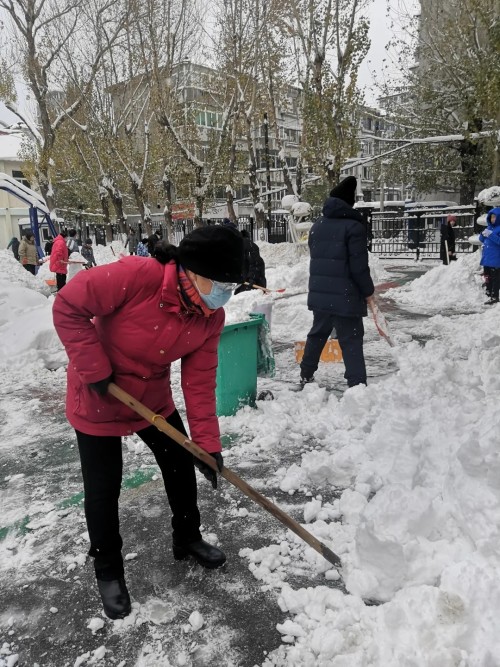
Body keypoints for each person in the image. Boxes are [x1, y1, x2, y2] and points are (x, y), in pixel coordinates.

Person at [52, 225, 244, 620]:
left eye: (232, 284)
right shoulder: (138, 276)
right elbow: (68, 306)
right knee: (104, 487)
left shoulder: (211, 317)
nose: (225, 291)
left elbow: (200, 383)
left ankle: (187, 538)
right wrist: (94, 367)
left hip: (150, 398)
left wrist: (207, 445)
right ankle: (108, 570)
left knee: (180, 464)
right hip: (99, 394)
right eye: (220, 281)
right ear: (192, 269)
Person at [300, 176, 375, 389]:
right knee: (351, 339)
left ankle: (306, 373)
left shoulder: (317, 226)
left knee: (318, 333)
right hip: (345, 295)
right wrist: (368, 291)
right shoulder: (353, 227)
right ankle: (357, 385)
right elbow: (358, 267)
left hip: (321, 293)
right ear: (349, 202)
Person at [479, 207, 500, 304]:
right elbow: (481, 240)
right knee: (487, 276)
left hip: (495, 259)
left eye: (494, 217)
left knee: (495, 278)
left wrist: (491, 235)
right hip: (487, 258)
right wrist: (482, 234)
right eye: (491, 217)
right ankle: (488, 292)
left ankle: (494, 296)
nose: (492, 219)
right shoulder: (488, 227)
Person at [234, 229, 266, 294]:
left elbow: (255, 263)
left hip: (251, 282)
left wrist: (251, 279)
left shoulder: (246, 245)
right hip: (249, 281)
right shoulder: (247, 245)